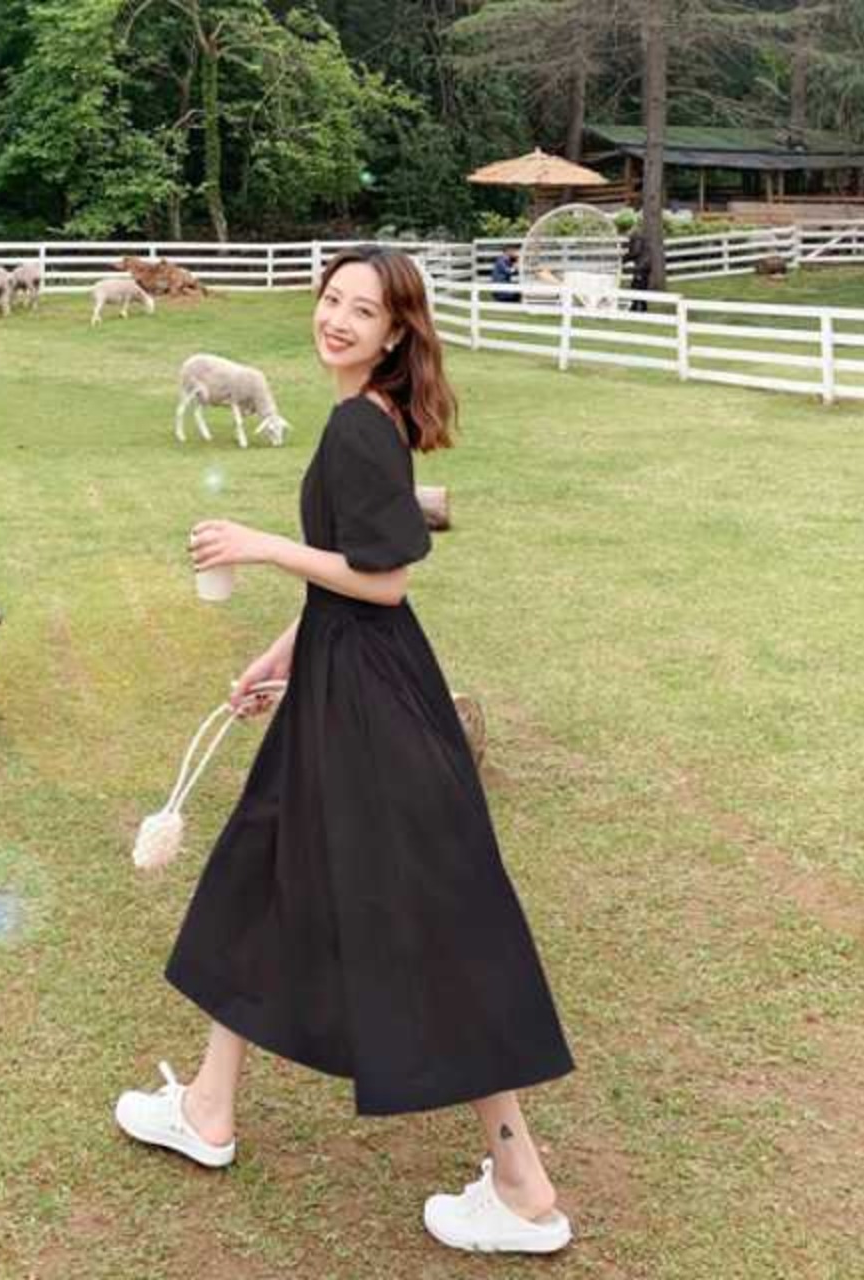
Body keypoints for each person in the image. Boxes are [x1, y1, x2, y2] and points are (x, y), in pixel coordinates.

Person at [114, 244, 576, 1255]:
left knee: (430, 919)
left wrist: (258, 546)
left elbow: (385, 579)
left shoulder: (358, 425)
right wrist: (281, 649)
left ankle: (521, 1184)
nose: (337, 319)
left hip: (369, 701)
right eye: (331, 299)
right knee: (258, 872)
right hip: (341, 679)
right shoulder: (366, 417)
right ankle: (207, 1108)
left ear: (395, 331)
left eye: (362, 310)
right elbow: (350, 576)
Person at [623, 228, 653, 312]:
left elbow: (635, 252)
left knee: (636, 286)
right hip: (646, 265)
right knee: (642, 287)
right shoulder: (640, 237)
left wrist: (624, 259)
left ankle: (635, 307)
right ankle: (641, 307)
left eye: (626, 233)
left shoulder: (637, 238)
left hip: (641, 266)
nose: (626, 235)